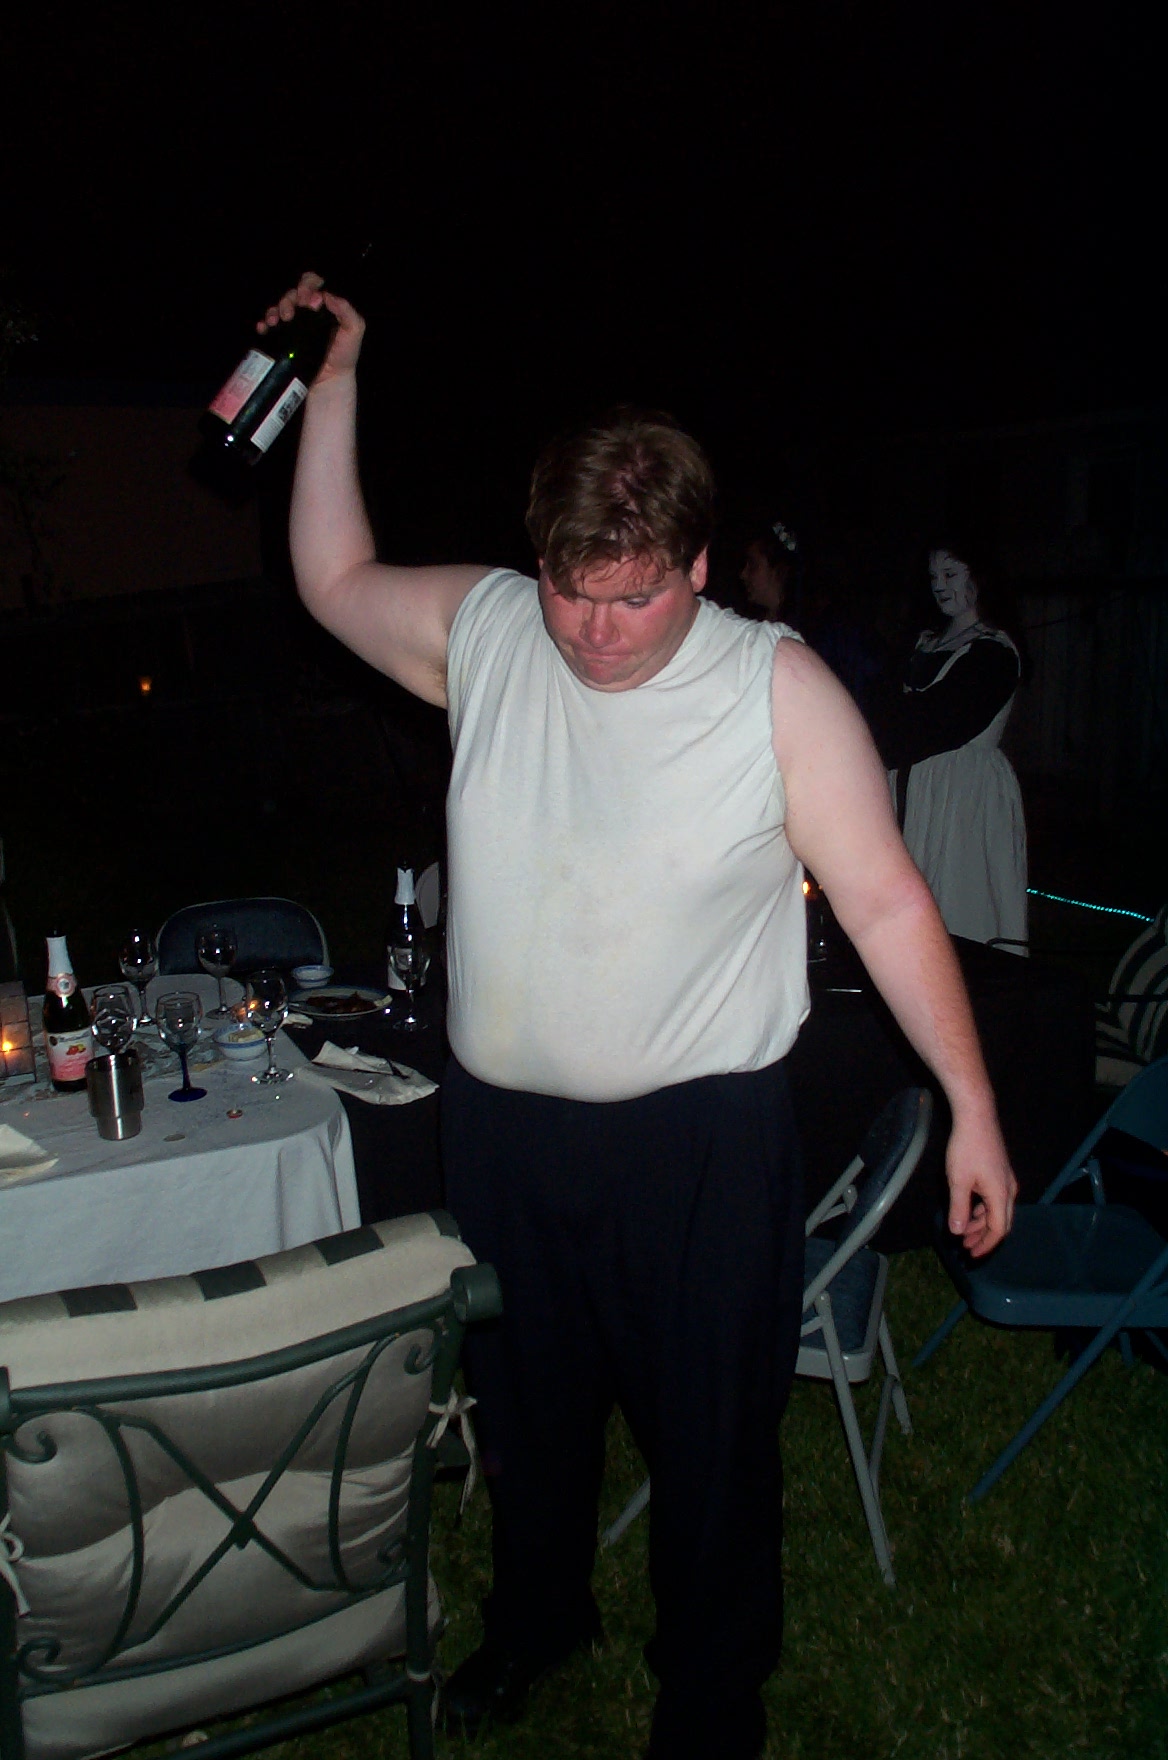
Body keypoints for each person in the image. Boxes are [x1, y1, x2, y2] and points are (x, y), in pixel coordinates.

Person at [272, 272, 1017, 1760]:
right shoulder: (491, 629)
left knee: (714, 1438)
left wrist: (975, 1109)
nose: (599, 632)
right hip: (506, 1135)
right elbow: (334, 575)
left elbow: (887, 904)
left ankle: (710, 1698)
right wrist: (337, 378)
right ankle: (539, 1620)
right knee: (526, 1411)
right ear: (537, 560)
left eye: (636, 597)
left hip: (699, 1146)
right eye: (575, 591)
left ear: (697, 565)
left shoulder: (773, 691)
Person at [882, 543, 1028, 948]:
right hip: (915, 786)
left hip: (963, 795)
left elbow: (937, 723)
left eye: (950, 574)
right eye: (934, 577)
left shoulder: (993, 652)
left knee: (960, 899)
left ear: (978, 576)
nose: (939, 586)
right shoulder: (925, 642)